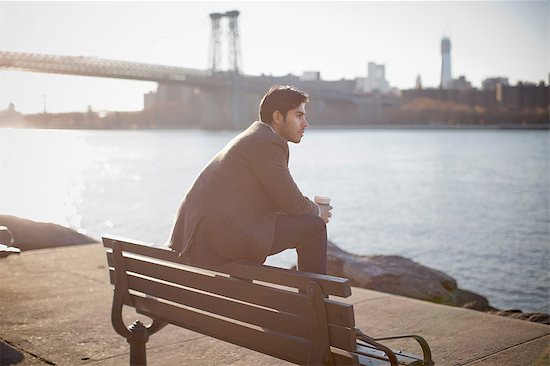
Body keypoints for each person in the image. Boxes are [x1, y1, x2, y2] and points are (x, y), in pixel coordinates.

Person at [168, 85, 332, 274]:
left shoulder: (254, 137)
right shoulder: (267, 143)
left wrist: (308, 210)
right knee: (314, 228)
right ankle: (315, 302)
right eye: (298, 115)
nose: (305, 123)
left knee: (268, 227)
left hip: (203, 237)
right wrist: (318, 211)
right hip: (218, 239)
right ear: (278, 117)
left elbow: (280, 201)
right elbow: (291, 201)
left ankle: (241, 297)